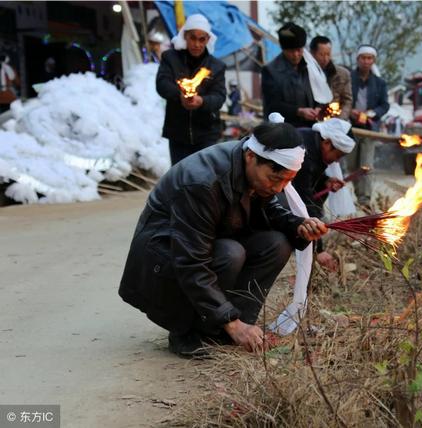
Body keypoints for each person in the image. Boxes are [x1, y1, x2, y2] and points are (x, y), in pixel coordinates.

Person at [119, 121, 328, 358]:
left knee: (277, 245)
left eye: (287, 181)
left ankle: (228, 330)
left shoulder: (253, 171)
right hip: (163, 261)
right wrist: (231, 322)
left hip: (207, 244)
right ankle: (190, 333)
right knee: (230, 253)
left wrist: (297, 226)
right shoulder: (202, 183)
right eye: (274, 179)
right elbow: (191, 261)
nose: (279, 189)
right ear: (251, 156)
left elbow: (267, 208)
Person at [156, 14, 226, 165]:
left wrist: (202, 101)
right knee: (180, 179)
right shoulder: (170, 58)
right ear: (185, 36)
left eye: (202, 39)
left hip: (207, 133)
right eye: (193, 38)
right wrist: (179, 95)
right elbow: (162, 84)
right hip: (178, 132)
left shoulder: (217, 66)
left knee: (205, 179)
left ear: (208, 40)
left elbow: (219, 97)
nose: (197, 44)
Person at [291, 119, 355, 268]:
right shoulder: (305, 153)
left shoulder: (315, 143)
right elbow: (303, 198)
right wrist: (318, 249)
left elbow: (309, 179)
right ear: (327, 143)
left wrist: (325, 181)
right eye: (337, 156)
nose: (335, 162)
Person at [347, 45, 389, 206]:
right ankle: (359, 193)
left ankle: (364, 199)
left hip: (370, 129)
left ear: (373, 61)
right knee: (352, 165)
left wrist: (371, 113)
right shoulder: (348, 79)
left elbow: (385, 105)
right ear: (358, 60)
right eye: (363, 58)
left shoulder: (380, 83)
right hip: (349, 128)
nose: (366, 61)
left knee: (366, 165)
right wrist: (351, 112)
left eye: (369, 58)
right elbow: (341, 100)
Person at [262, 22, 319, 128]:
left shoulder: (310, 68)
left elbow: (319, 92)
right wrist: (299, 111)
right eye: (291, 51)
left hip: (310, 127)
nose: (296, 55)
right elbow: (272, 105)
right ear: (283, 49)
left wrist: (318, 108)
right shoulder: (271, 71)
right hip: (283, 130)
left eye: (299, 50)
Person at [309, 36, 352, 121]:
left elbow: (347, 101)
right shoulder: (304, 72)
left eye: (328, 54)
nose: (325, 59)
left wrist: (339, 120)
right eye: (321, 54)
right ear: (312, 54)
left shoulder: (342, 74)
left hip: (335, 119)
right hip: (311, 118)